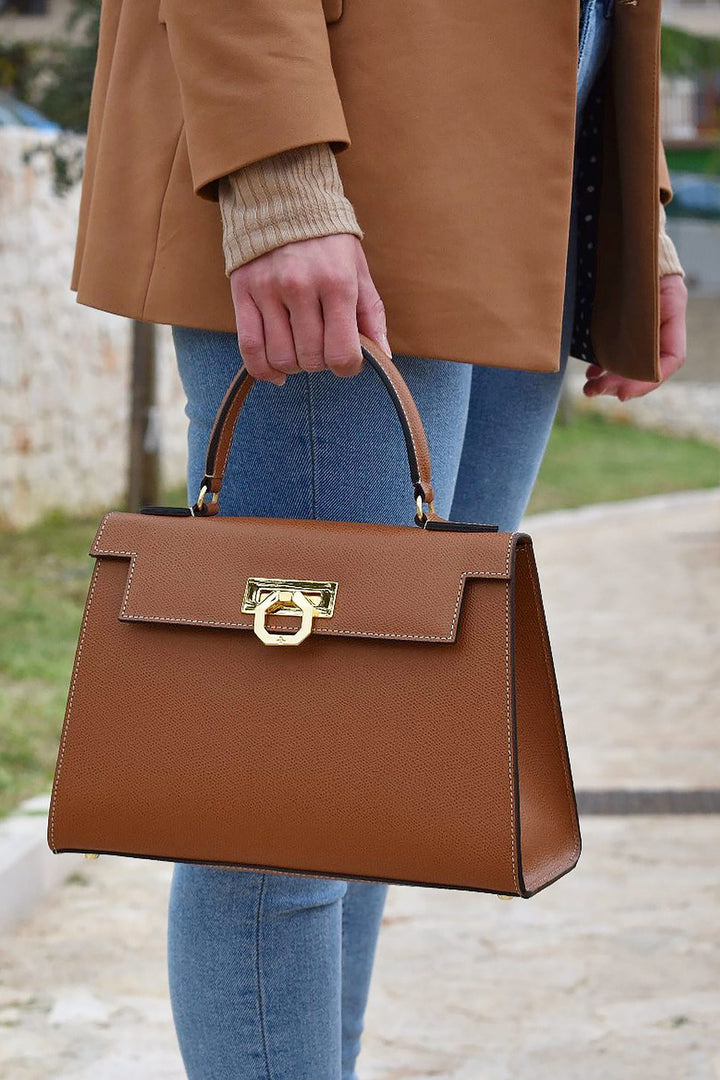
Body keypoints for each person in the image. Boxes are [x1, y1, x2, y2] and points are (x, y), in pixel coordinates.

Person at [70, 1, 687, 1076]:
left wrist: (636, 208)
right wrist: (275, 171)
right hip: (347, 179)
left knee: (369, 790)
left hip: (522, 195)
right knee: (280, 814)